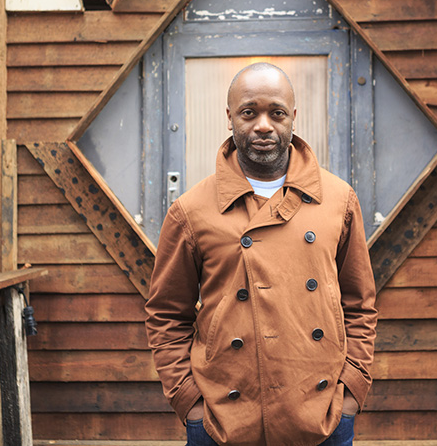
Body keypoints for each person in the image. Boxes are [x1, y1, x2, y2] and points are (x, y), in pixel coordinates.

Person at [145, 62, 378, 446]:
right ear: (230, 117)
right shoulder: (191, 210)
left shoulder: (339, 200)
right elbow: (166, 314)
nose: (264, 125)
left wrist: (351, 391)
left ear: (293, 118)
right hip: (224, 419)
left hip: (322, 417)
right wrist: (190, 403)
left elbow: (360, 304)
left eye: (277, 112)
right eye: (249, 112)